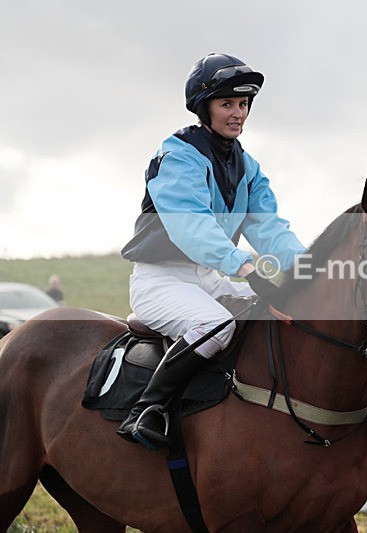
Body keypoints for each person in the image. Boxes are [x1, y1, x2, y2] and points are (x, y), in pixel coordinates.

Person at [117, 53, 305, 449]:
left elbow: (269, 227)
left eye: (243, 104)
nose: (238, 113)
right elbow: (192, 226)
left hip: (207, 279)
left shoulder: (247, 166)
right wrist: (247, 268)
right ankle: (146, 410)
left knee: (276, 313)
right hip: (160, 281)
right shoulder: (178, 155)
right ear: (205, 108)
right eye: (227, 104)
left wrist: (308, 269)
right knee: (215, 326)